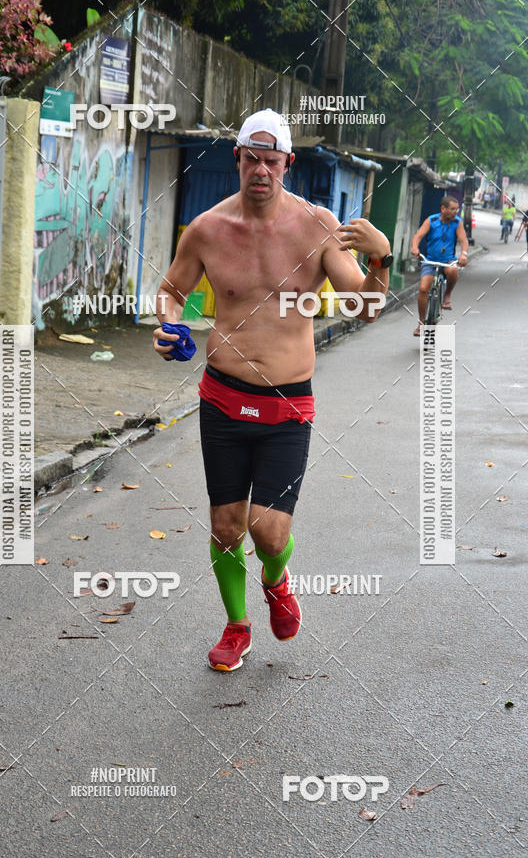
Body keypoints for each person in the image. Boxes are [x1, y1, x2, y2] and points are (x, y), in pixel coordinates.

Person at [152, 108, 392, 671]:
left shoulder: (316, 226)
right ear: (237, 159)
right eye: (251, 158)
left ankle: (277, 579)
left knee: (268, 530)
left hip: (287, 402)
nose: (261, 169)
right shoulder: (208, 228)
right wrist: (169, 324)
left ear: (288, 163)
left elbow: (366, 308)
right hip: (222, 398)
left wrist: (380, 257)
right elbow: (169, 290)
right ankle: (237, 626)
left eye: (272, 159)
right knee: (226, 525)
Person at [410, 195, 468, 335]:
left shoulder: (457, 222)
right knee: (423, 289)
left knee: (453, 271)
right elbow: (418, 236)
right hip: (430, 260)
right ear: (443, 209)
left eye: (457, 209)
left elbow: (463, 240)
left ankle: (447, 296)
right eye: (453, 209)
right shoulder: (432, 220)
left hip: (448, 260)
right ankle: (422, 322)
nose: (456, 212)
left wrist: (463, 254)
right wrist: (414, 247)